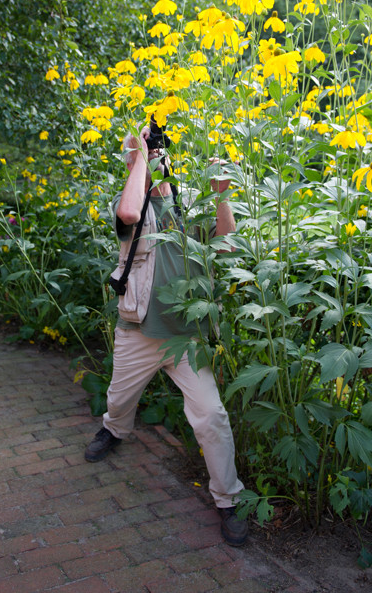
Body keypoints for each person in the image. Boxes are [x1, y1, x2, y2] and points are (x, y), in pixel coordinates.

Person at [84, 124, 248, 546]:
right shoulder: (126, 202)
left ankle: (228, 500)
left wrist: (221, 192)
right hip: (139, 331)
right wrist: (140, 153)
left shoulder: (188, 207)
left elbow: (226, 244)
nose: (155, 157)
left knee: (212, 416)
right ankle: (115, 430)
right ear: (132, 162)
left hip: (187, 339)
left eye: (159, 152)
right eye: (140, 154)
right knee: (119, 399)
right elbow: (129, 214)